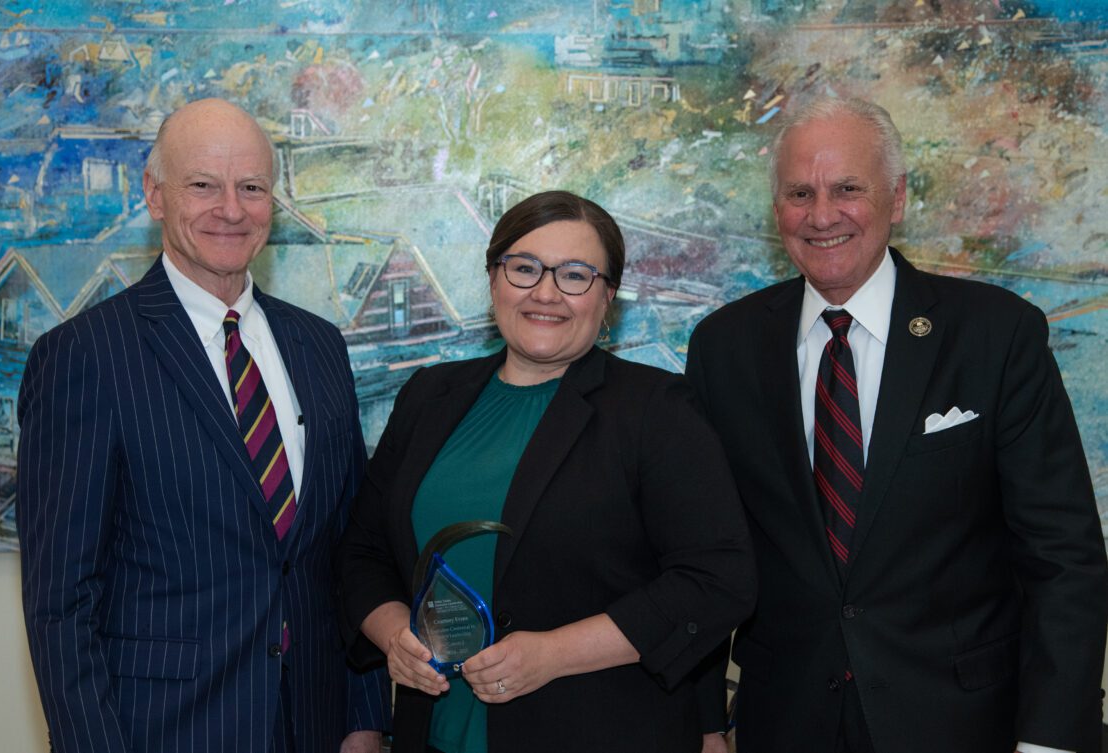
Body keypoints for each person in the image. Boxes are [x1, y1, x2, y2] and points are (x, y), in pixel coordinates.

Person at [686, 96, 1108, 753]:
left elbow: (1064, 558)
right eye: (800, 192)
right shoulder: (723, 348)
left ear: (899, 197)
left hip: (965, 724)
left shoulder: (996, 335)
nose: (822, 214)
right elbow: (704, 557)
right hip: (783, 723)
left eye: (848, 188)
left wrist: (1050, 740)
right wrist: (705, 720)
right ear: (777, 211)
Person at [17, 98, 390, 753]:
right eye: (203, 185)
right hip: (162, 730)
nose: (231, 209)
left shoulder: (319, 345)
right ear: (155, 196)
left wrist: (364, 716)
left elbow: (344, 548)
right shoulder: (84, 356)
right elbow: (60, 602)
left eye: (251, 187)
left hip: (316, 723)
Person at [336, 190, 756, 753]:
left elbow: (717, 580)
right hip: (431, 736)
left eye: (575, 275)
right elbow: (362, 552)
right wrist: (395, 637)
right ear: (493, 281)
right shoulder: (429, 396)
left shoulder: (655, 411)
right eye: (524, 268)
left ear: (607, 297)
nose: (545, 293)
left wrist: (553, 655)